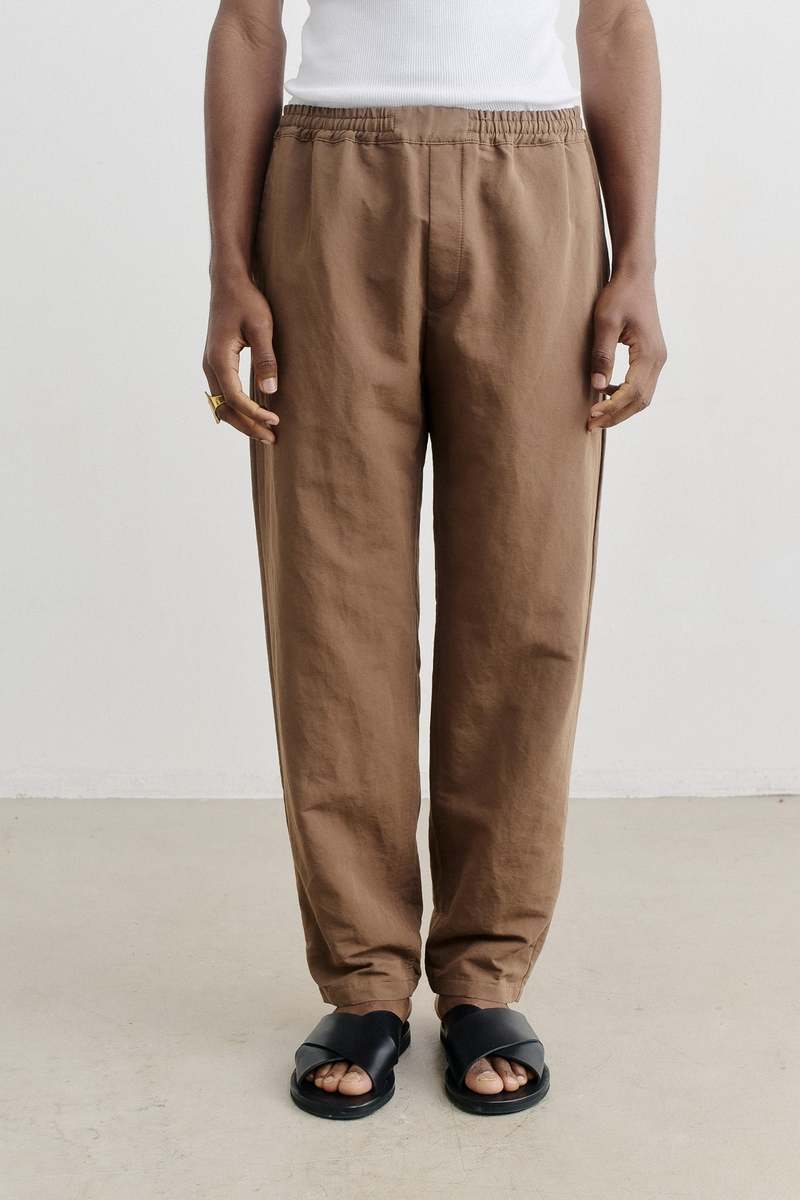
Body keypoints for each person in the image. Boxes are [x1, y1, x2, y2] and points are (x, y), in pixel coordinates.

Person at [202, 0, 666, 1118]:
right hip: (327, 180)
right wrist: (228, 266)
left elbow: (612, 22)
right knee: (330, 602)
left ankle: (483, 974)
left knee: (526, 596)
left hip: (535, 182)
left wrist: (640, 261)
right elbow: (248, 25)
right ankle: (364, 978)